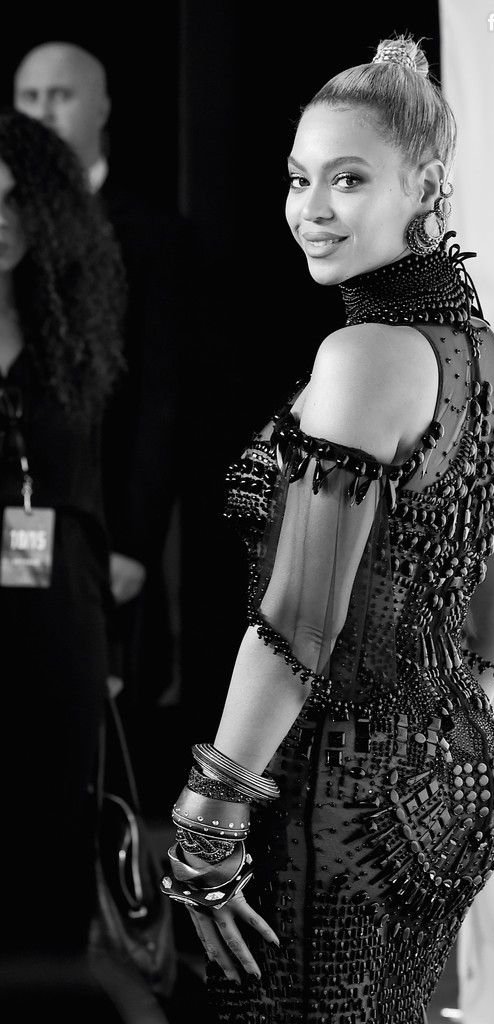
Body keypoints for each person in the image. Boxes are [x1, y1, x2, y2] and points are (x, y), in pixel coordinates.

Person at [159, 36, 494, 1023]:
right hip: (458, 778)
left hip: (342, 786)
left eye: (349, 179)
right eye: (300, 179)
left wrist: (213, 805)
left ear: (428, 188)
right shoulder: (481, 355)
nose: (312, 209)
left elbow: (299, 621)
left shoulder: (365, 355)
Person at [14, 42, 187, 740]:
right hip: (22, 515)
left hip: (101, 523)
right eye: (29, 98)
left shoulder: (150, 237)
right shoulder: (11, 234)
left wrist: (134, 543)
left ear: (103, 107)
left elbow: (160, 401)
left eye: (60, 95)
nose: (43, 113)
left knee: (101, 724)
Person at [0, 108, 124, 954]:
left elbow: (87, 492)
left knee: (53, 819)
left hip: (57, 608)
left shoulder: (71, 339)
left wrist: (108, 639)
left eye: (17, 199)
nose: (3, 220)